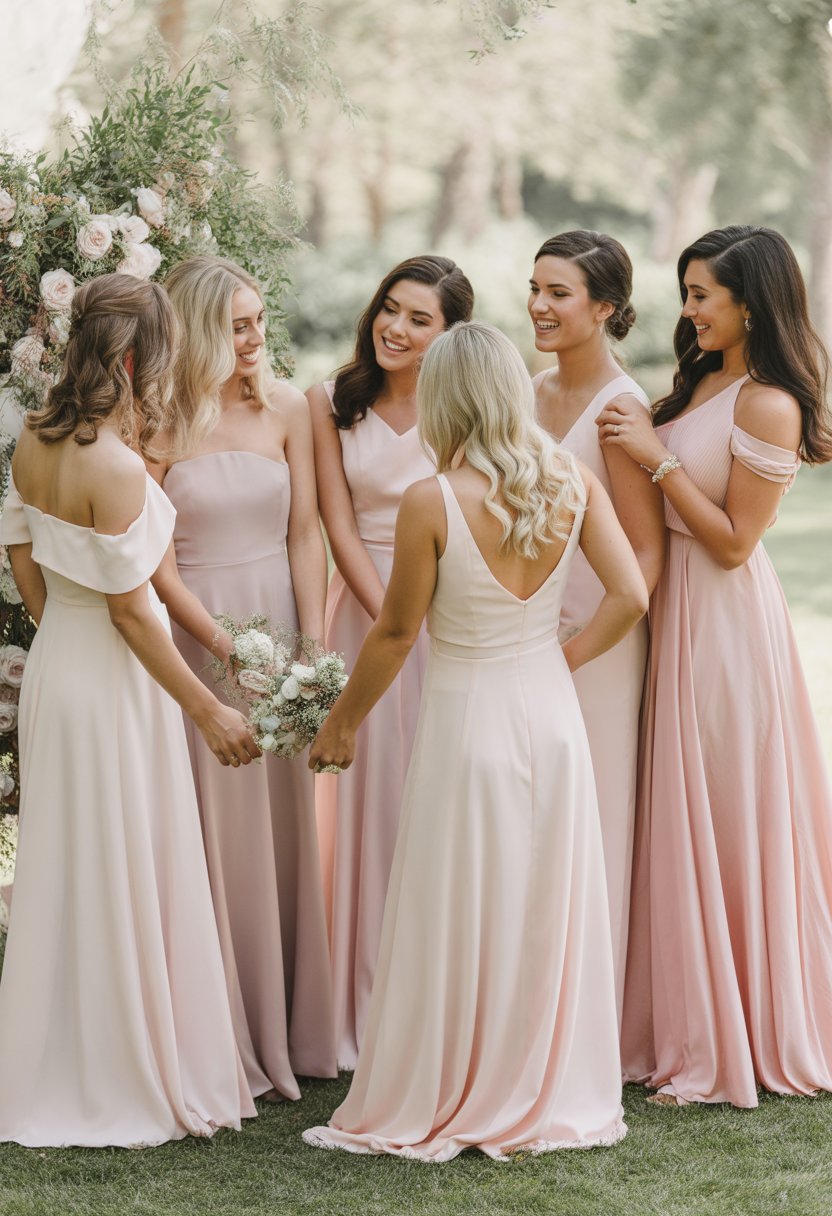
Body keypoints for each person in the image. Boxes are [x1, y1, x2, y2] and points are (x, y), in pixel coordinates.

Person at [303, 321, 648, 1160]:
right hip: (551, 719)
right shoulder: (570, 480)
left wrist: (340, 724)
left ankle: (456, 1078)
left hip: (468, 722)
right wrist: (559, 660)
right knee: (540, 904)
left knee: (457, 900)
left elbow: (394, 633)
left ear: (445, 399)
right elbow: (630, 596)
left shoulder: (433, 499)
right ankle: (538, 1083)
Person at [0, 273, 259, 1148]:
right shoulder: (111, 465)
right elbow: (133, 612)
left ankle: (66, 1053)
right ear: (134, 359)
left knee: (76, 858)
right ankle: (118, 1067)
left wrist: (61, 639)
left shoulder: (34, 437)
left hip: (61, 667)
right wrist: (208, 711)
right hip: (115, 678)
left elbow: (24, 560)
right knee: (120, 850)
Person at [596, 225, 832, 1107]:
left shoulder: (769, 404)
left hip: (724, 622)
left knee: (725, 803)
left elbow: (734, 542)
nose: (689, 309)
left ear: (751, 304)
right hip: (672, 607)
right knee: (677, 804)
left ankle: (737, 1023)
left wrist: (654, 458)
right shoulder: (702, 381)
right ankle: (678, 1009)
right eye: (688, 292)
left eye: (703, 295)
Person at [150, 256, 336, 1102]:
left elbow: (305, 532)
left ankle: (292, 1026)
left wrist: (310, 648)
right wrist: (223, 647)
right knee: (217, 824)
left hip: (280, 632)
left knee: (283, 820)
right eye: (236, 326)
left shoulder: (290, 407)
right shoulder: (156, 421)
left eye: (259, 320)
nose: (256, 337)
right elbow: (154, 565)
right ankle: (220, 1026)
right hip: (198, 635)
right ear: (196, 333)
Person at [308, 255, 474, 1069]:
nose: (396, 328)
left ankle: (434, 994)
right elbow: (336, 521)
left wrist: (419, 621)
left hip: (448, 614)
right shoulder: (331, 402)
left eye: (419, 319)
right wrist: (387, 619)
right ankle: (361, 1003)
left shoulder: (462, 407)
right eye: (390, 308)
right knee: (367, 800)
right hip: (364, 614)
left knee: (432, 797)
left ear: (451, 336)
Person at [529, 231, 665, 1025]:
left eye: (560, 293)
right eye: (535, 289)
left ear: (606, 308)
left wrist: (577, 651)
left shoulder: (620, 411)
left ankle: (590, 1017)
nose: (539, 306)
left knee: (593, 812)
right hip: (531, 635)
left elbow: (644, 556)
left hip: (600, 643)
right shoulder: (528, 391)